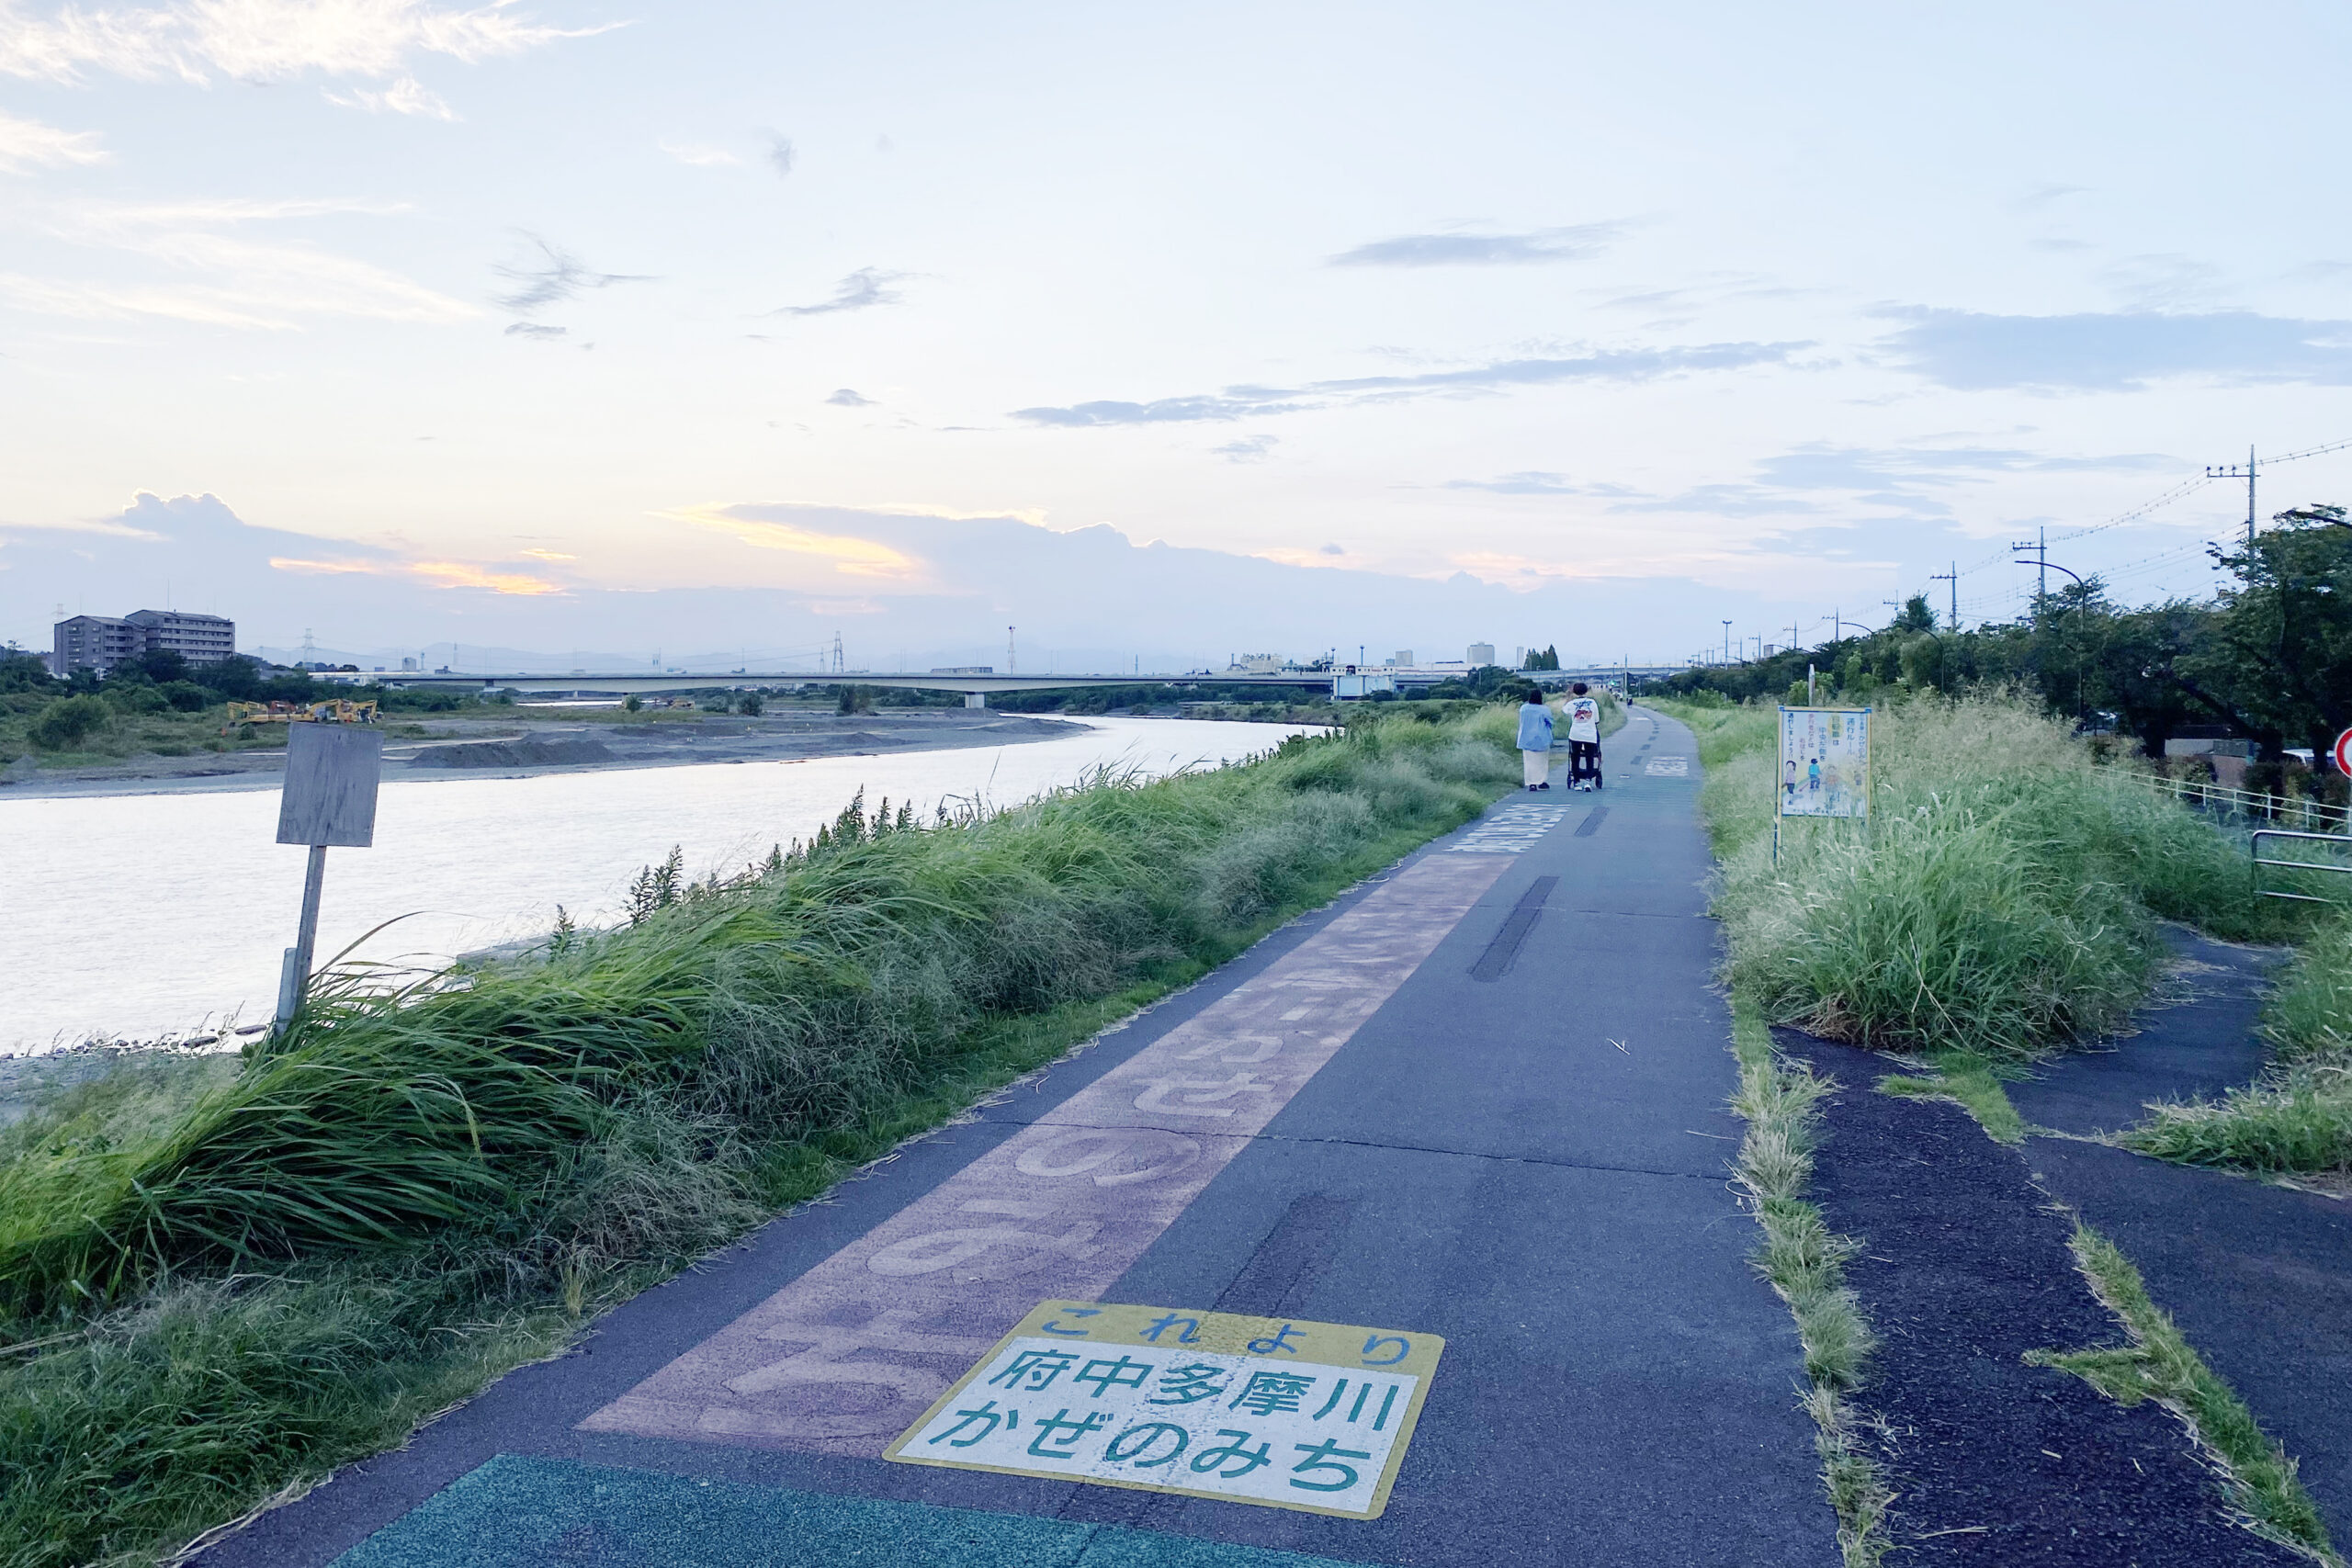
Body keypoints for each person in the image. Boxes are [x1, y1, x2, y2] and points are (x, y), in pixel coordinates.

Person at [1515, 686, 1554, 790]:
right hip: (1542, 738)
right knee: (1542, 761)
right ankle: (1542, 781)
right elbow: (1550, 722)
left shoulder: (1523, 708)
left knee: (1529, 762)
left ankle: (1531, 782)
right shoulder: (1545, 709)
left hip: (1526, 738)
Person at [1565, 682, 1602, 789]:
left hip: (1575, 734)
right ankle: (1588, 781)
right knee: (1589, 757)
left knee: (1575, 757)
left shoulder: (1572, 703)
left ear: (1574, 691)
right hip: (1590, 734)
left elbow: (1565, 711)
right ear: (1586, 690)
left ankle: (1576, 781)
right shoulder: (1592, 702)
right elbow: (1597, 720)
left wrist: (1568, 697)